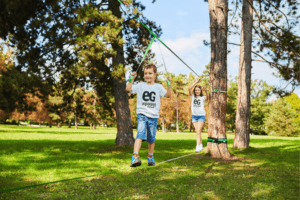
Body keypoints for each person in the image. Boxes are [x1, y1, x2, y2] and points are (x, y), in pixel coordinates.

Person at [126, 63, 172, 167]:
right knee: (140, 134)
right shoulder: (141, 85)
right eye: (145, 73)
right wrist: (131, 79)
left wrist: (169, 84)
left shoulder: (158, 87)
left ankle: (150, 157)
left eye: (150, 73)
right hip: (142, 114)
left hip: (153, 116)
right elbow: (128, 89)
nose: (147, 75)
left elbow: (168, 95)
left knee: (151, 138)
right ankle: (135, 156)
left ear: (155, 75)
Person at [188, 78, 208, 153]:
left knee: (199, 131)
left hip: (201, 116)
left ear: (200, 91)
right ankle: (201, 145)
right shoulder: (192, 96)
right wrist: (196, 81)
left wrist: (206, 90)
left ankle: (197, 147)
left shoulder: (202, 97)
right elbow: (189, 88)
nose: (197, 91)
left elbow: (207, 98)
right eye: (196, 90)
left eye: (198, 90)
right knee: (198, 132)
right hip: (194, 116)